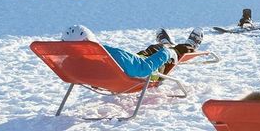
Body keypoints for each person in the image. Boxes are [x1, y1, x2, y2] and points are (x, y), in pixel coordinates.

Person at [60, 25, 204, 79]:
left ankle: (164, 44)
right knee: (170, 51)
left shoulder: (70, 64)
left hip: (120, 70)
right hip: (149, 73)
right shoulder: (108, 54)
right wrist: (167, 53)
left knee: (151, 50)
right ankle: (187, 46)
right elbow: (143, 70)